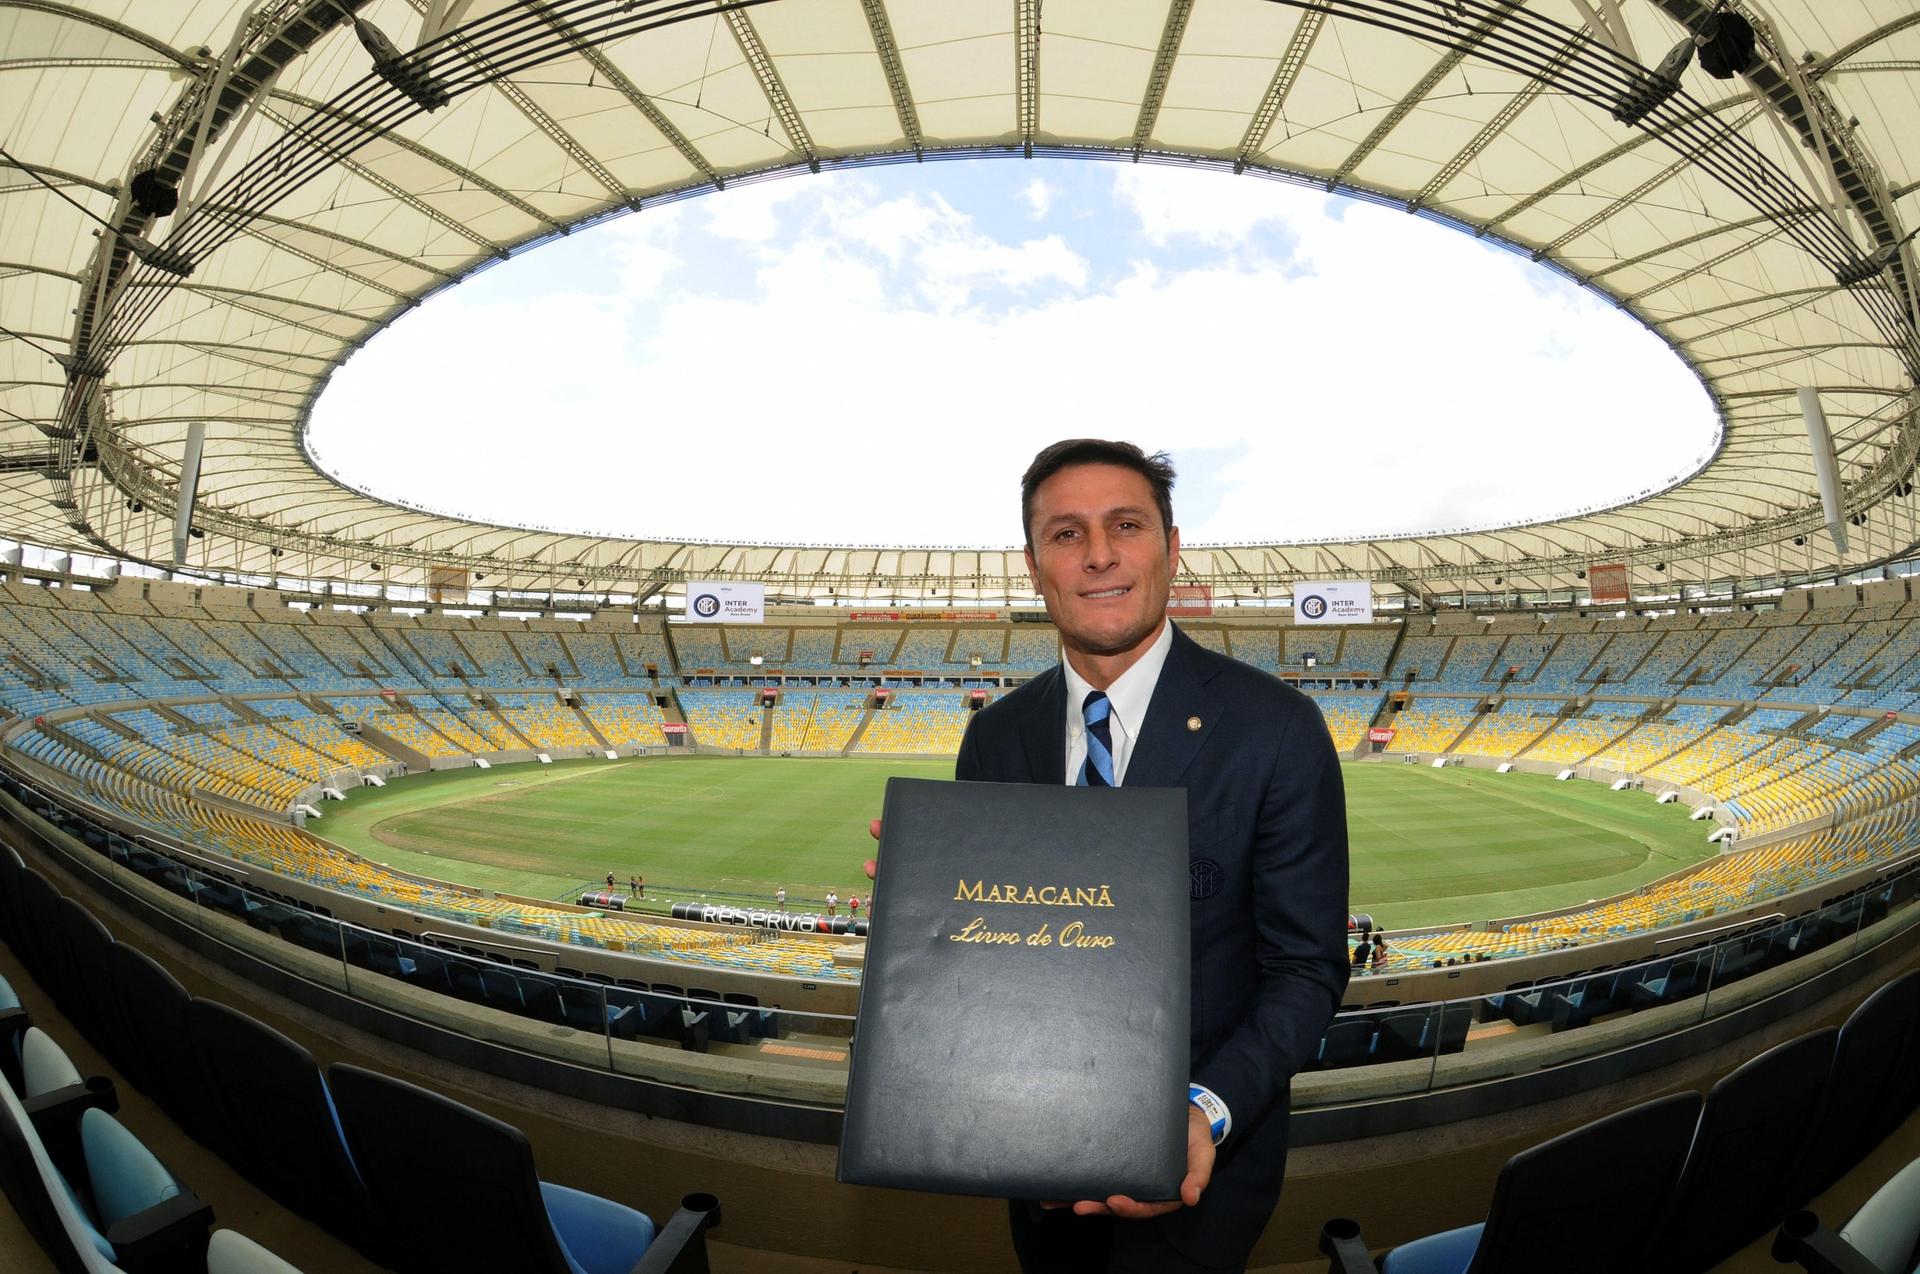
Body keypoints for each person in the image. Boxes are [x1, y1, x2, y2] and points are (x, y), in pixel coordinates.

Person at [898, 439, 1349, 1273]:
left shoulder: (1278, 730)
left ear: (1172, 549)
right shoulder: (994, 736)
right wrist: (924, 928)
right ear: (1034, 567)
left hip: (1202, 1182)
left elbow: (1306, 971)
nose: (1099, 553)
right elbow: (993, 965)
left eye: (1127, 525)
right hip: (1031, 1163)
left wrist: (1202, 1111)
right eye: (1066, 534)